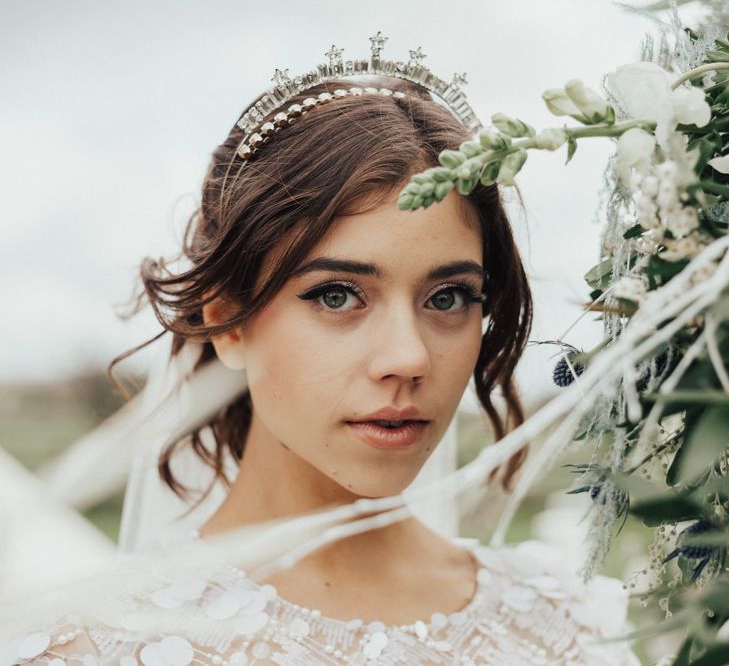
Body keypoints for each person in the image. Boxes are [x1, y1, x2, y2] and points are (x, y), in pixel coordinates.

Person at [2, 34, 640, 666]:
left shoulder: (574, 629)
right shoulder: (87, 646)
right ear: (227, 322)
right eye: (337, 296)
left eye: (448, 298)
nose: (409, 359)